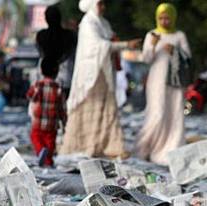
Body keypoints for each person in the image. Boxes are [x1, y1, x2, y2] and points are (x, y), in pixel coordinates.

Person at [60, 0, 141, 158]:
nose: (103, 7)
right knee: (89, 108)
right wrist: (126, 45)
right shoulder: (88, 23)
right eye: (100, 4)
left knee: (107, 108)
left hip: (104, 72)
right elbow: (99, 46)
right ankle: (87, 145)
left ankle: (109, 145)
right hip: (91, 74)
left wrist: (119, 43)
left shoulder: (103, 23)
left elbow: (109, 42)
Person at [136, 2, 191, 165]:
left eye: (167, 18)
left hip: (175, 82)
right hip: (157, 81)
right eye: (161, 18)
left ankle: (172, 148)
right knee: (157, 112)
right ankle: (149, 147)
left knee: (174, 113)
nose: (164, 21)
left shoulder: (179, 35)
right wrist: (153, 45)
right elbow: (146, 59)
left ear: (173, 18)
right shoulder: (151, 34)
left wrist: (174, 50)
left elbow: (188, 57)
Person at [26, 58, 66, 167]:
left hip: (38, 121)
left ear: (42, 71)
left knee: (35, 137)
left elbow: (29, 96)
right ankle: (48, 161)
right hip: (52, 123)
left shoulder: (37, 85)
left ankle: (40, 151)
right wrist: (64, 121)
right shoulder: (58, 88)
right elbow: (62, 108)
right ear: (57, 72)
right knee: (50, 142)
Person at [36, 5, 77, 95]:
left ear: (46, 19)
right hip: (66, 80)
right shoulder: (70, 36)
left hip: (46, 80)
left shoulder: (41, 36)